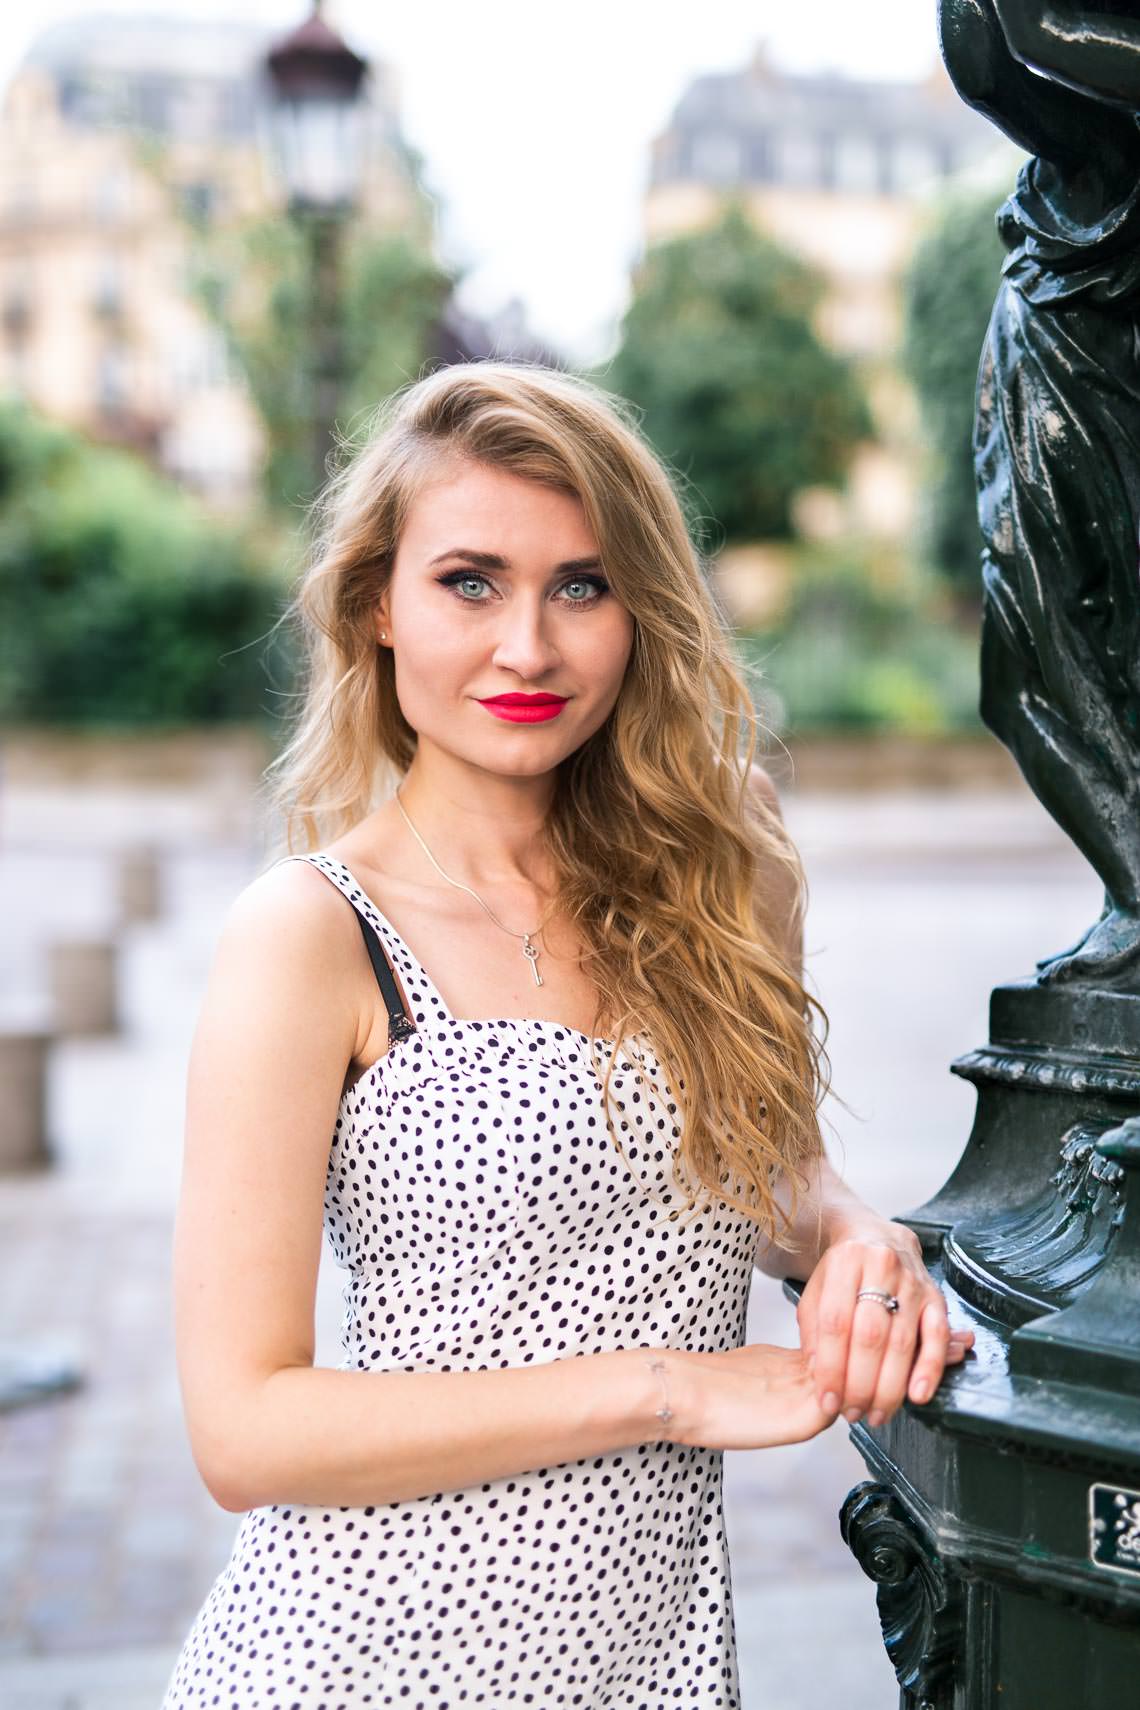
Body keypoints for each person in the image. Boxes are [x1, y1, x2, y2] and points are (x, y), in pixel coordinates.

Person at [160, 361, 974, 1708]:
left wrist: (852, 1236)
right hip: (357, 1659)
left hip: (646, 1658)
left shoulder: (727, 864)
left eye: (580, 586)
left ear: (639, 608)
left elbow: (762, 1168)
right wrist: (664, 1387)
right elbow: (244, 1428)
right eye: (469, 581)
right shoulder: (311, 932)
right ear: (379, 604)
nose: (527, 646)